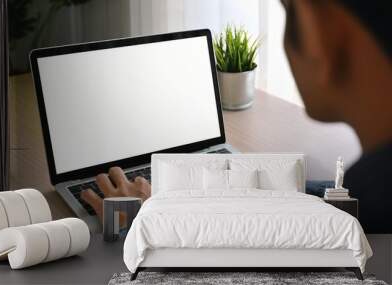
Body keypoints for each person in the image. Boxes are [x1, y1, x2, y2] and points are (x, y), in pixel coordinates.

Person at [82, 0, 392, 233]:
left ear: (315, 32)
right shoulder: (368, 194)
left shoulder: (371, 211)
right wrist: (236, 194)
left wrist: (157, 221)